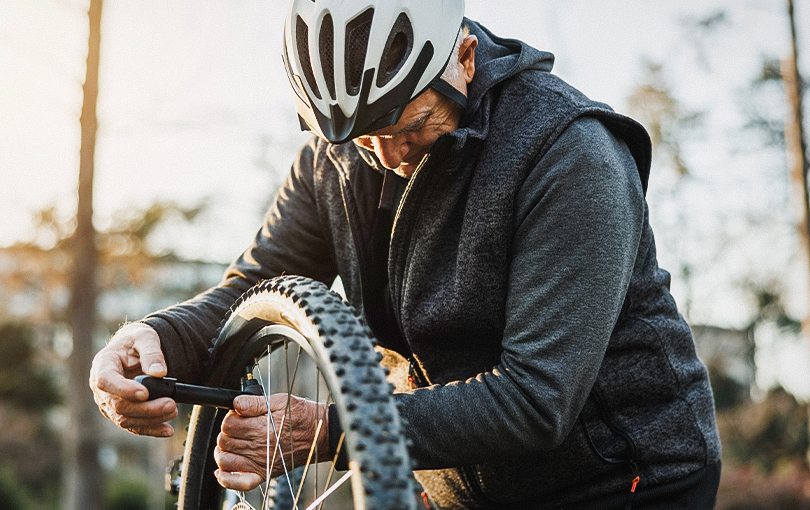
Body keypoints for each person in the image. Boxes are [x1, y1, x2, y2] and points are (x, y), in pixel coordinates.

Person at [90, 0, 722, 508]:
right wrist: (157, 336)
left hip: (623, 481)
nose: (385, 157)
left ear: (465, 59)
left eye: (408, 129)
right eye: (363, 138)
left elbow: (537, 400)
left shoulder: (570, 154)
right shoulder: (339, 151)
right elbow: (258, 285)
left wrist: (334, 429)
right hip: (454, 486)